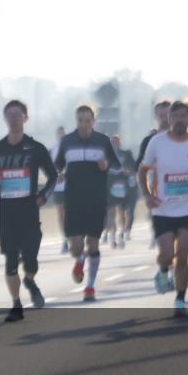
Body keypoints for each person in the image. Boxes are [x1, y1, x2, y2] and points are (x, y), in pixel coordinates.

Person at [0, 100, 58, 322]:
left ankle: (30, 280)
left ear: (26, 118)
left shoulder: (35, 148)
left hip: (29, 212)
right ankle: (16, 304)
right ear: (5, 119)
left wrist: (43, 195)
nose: (13, 118)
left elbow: (53, 175)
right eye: (9, 115)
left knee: (31, 260)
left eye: (18, 114)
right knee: (11, 261)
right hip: (6, 214)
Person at [138, 101, 188, 317]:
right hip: (162, 209)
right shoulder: (157, 142)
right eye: (175, 116)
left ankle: (180, 299)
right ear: (169, 120)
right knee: (166, 254)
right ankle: (163, 270)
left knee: (182, 255)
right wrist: (147, 195)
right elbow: (142, 171)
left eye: (183, 116)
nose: (179, 120)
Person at [54, 105, 121, 301]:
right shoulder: (67, 141)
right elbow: (58, 165)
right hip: (73, 199)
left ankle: (90, 287)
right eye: (80, 120)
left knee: (92, 244)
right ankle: (80, 259)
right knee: (76, 247)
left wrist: (106, 165)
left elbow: (117, 166)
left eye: (87, 120)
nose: (84, 124)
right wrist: (58, 174)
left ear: (94, 120)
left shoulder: (102, 141)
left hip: (96, 199)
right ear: (76, 121)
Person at [138, 101, 171, 249]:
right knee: (164, 236)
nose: (164, 118)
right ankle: (165, 267)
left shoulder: (183, 137)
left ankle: (174, 266)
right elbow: (138, 166)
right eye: (161, 115)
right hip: (157, 190)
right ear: (156, 117)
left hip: (180, 191)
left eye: (167, 114)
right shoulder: (149, 140)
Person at [104, 135, 132, 249]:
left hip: (123, 187)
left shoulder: (126, 154)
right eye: (112, 142)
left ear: (120, 143)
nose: (114, 144)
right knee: (111, 213)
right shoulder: (105, 156)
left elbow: (133, 167)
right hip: (110, 187)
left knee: (122, 212)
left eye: (116, 142)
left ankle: (122, 234)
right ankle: (113, 237)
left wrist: (128, 171)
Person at [49, 126, 69, 253]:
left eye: (63, 135)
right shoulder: (53, 150)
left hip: (70, 186)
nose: (61, 137)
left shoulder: (71, 149)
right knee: (61, 215)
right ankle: (65, 240)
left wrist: (65, 174)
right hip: (57, 187)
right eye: (59, 134)